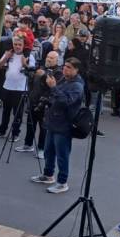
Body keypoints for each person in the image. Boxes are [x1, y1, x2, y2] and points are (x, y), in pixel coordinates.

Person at [30, 57, 85, 194]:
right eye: (65, 66)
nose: (65, 69)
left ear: (76, 70)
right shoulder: (64, 79)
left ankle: (62, 182)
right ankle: (48, 175)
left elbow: (66, 101)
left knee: (62, 155)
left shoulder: (77, 86)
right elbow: (54, 95)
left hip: (64, 125)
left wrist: (54, 88)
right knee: (49, 151)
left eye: (69, 67)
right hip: (53, 121)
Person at [0, 36, 35, 141]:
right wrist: (6, 57)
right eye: (15, 44)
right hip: (7, 86)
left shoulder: (29, 56)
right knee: (5, 111)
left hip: (20, 89)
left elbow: (32, 73)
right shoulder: (9, 53)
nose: (17, 46)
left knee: (17, 113)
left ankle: (15, 134)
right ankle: (2, 131)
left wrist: (25, 63)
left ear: (24, 45)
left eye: (20, 44)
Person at [19, 49, 57, 153]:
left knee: (43, 127)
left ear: (57, 60)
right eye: (48, 57)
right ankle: (28, 144)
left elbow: (54, 86)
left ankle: (41, 148)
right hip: (33, 100)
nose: (49, 59)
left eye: (52, 58)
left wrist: (44, 74)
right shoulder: (40, 67)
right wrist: (27, 68)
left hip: (45, 104)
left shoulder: (58, 71)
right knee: (30, 124)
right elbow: (30, 74)